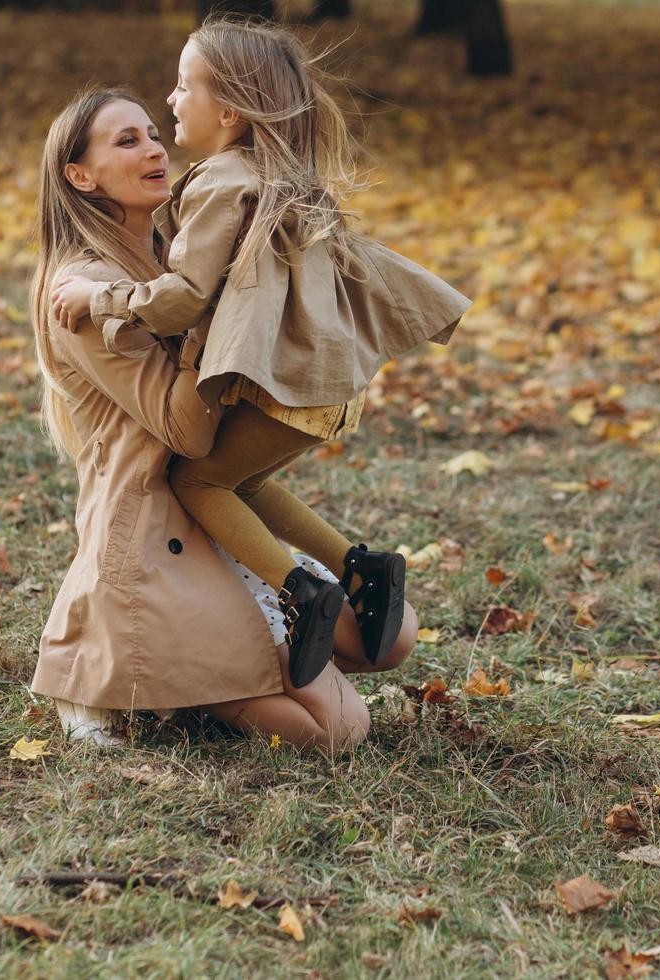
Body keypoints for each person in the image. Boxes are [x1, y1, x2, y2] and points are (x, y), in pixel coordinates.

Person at [51, 18, 470, 690]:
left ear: (228, 111)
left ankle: (304, 590)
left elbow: (185, 295)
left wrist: (102, 303)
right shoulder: (273, 173)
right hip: (324, 385)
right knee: (239, 481)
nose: (171, 101)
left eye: (184, 88)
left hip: (292, 384)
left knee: (199, 481)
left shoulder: (221, 181)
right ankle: (361, 567)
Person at [28, 87, 417, 753]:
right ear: (80, 177)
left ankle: (183, 672)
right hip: (154, 523)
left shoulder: (179, 252)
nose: (153, 147)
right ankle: (149, 679)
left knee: (393, 633)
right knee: (335, 732)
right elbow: (188, 432)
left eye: (153, 132)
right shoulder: (82, 294)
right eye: (126, 141)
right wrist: (206, 319)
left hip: (214, 502)